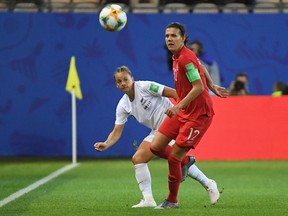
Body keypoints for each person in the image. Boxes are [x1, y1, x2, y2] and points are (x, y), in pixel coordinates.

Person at [94, 65, 228, 208]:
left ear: (132, 79)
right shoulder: (123, 105)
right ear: (116, 85)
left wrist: (183, 114)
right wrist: (106, 144)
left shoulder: (145, 86)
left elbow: (174, 93)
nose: (123, 83)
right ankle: (148, 199)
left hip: (172, 125)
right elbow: (116, 131)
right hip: (157, 131)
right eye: (119, 82)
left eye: (126, 79)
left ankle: (207, 184)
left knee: (174, 157)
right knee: (138, 159)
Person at [149, 22, 227, 209]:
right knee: (156, 147)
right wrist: (213, 85)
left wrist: (177, 107)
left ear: (183, 38)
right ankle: (187, 161)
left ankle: (172, 200)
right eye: (167, 36)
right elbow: (200, 67)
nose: (169, 39)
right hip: (185, 110)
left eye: (174, 36)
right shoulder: (177, 57)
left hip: (198, 115)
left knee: (174, 157)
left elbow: (198, 87)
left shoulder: (184, 58)